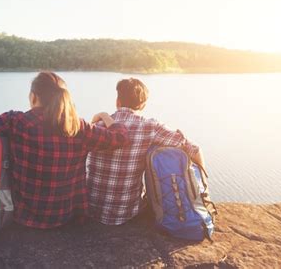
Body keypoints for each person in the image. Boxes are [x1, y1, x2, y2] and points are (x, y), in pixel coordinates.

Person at [0, 71, 129, 229]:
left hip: (23, 218)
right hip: (67, 217)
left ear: (33, 96)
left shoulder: (14, 121)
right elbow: (120, 138)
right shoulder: (78, 126)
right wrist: (106, 117)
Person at [86, 78, 205, 225]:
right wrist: (204, 183)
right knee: (157, 150)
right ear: (143, 104)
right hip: (127, 212)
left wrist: (99, 116)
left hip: (92, 209)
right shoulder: (150, 126)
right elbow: (194, 149)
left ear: (117, 101)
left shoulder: (98, 125)